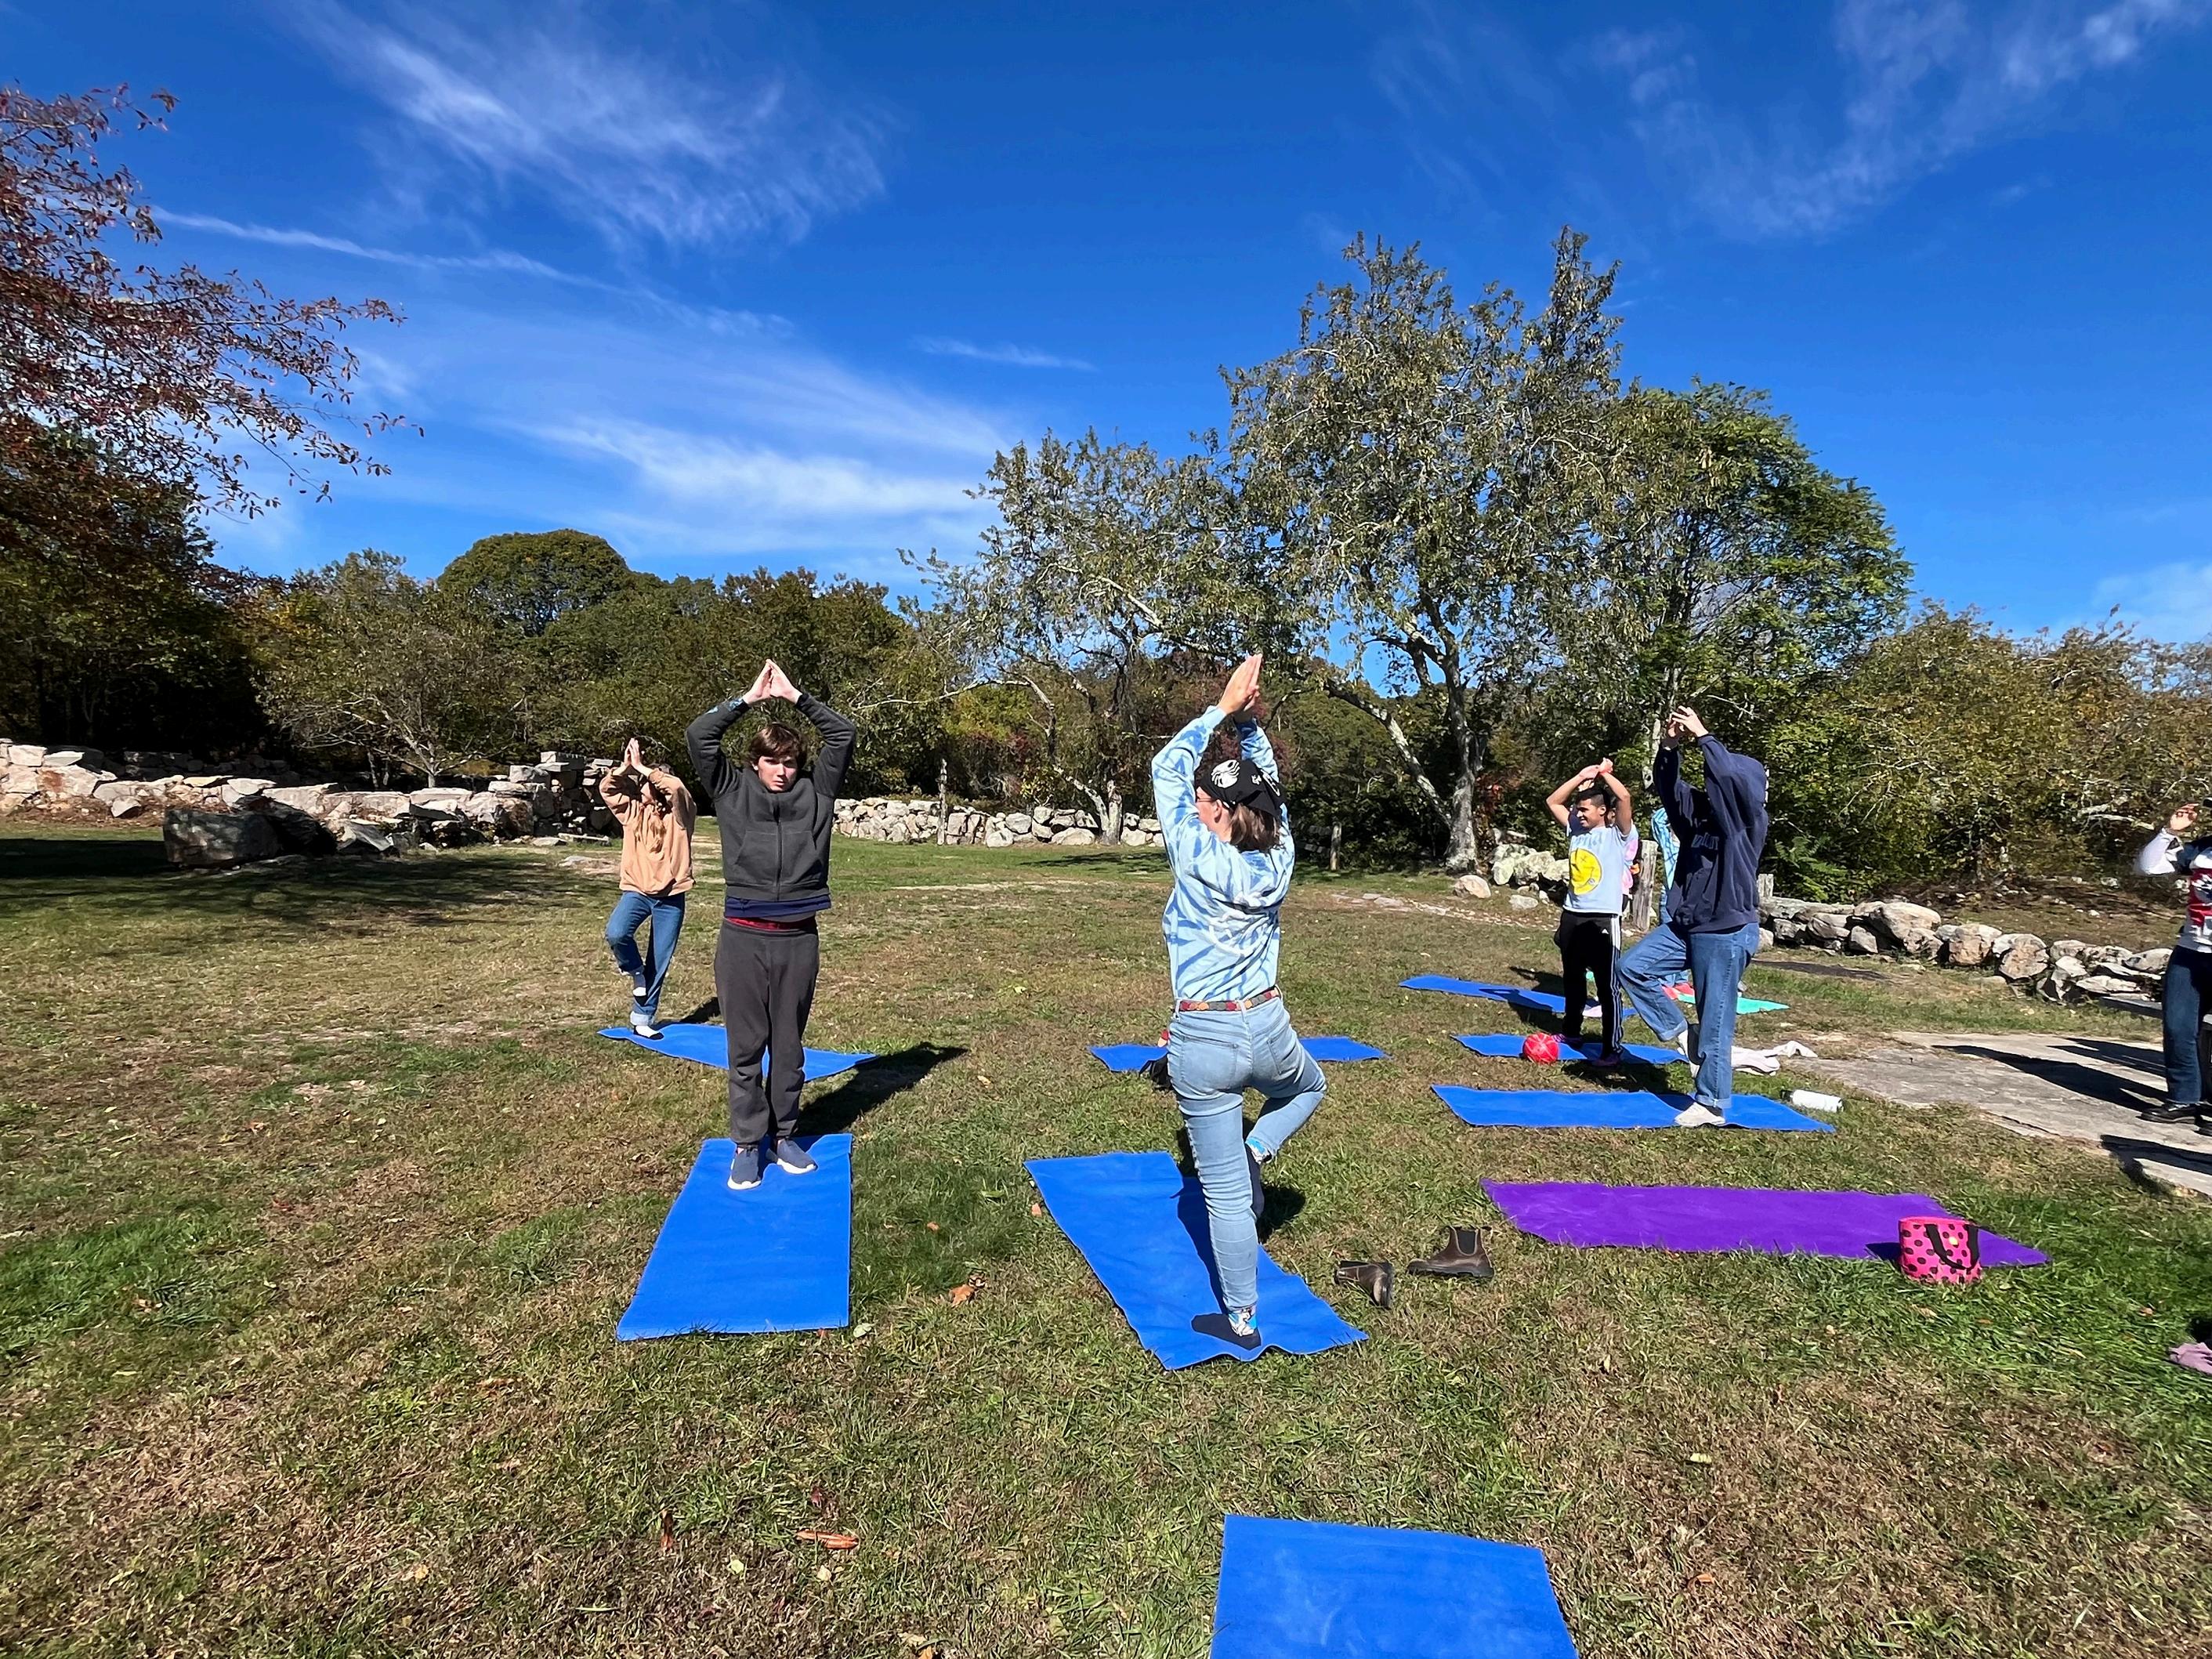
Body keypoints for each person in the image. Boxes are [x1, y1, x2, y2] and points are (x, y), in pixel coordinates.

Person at [1153, 653, 1326, 1342]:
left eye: (1205, 801)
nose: (1195, 805)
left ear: (1222, 811)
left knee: (1224, 1196)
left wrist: (1221, 710)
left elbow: (1165, 767)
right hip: (1267, 1022)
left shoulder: (1196, 853)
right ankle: (1259, 1149)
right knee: (1309, 1087)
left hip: (1204, 1037)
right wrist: (1251, 727)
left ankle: (1242, 1319)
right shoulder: (1279, 857)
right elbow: (1269, 791)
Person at [686, 660, 857, 1191]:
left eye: (789, 761)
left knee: (788, 1049)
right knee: (744, 1049)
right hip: (742, 936)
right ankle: (746, 1143)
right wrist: (748, 700)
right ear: (755, 762)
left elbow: (843, 734)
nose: (781, 770)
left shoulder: (817, 791)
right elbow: (699, 735)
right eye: (771, 761)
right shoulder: (730, 789)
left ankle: (784, 1136)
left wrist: (796, 697)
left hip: (797, 939)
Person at [1615, 706, 1769, 1127]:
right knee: (1632, 968)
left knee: (1716, 1020)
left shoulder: (1747, 823)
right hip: (1687, 926)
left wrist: (1704, 737)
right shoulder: (1697, 817)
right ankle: (1684, 1035)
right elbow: (1669, 788)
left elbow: (1729, 779)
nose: (1715, 785)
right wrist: (1669, 747)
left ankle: (1712, 1104)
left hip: (1726, 931)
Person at [599, 737, 697, 1038]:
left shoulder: (681, 816)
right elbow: (608, 789)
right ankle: (634, 969)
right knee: (617, 933)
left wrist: (644, 768)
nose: (646, 788)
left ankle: (643, 1017)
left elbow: (676, 789)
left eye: (652, 783)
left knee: (660, 959)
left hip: (671, 896)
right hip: (637, 892)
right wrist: (625, 768)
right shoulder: (633, 813)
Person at [1544, 759, 1636, 1063]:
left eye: (1584, 810)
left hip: (1603, 918)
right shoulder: (1575, 830)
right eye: (1577, 809)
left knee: (1607, 985)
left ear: (1602, 811)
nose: (1579, 814)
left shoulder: (1617, 835)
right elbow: (1553, 801)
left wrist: (1605, 774)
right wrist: (1580, 775)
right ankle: (1571, 1031)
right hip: (1572, 914)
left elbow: (1624, 797)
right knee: (1572, 978)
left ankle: (1611, 1047)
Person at [2134, 801, 2212, 1134]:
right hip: (2190, 953)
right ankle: (2184, 1100)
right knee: (2178, 1027)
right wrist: (2169, 832)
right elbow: (2148, 867)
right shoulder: (2201, 850)